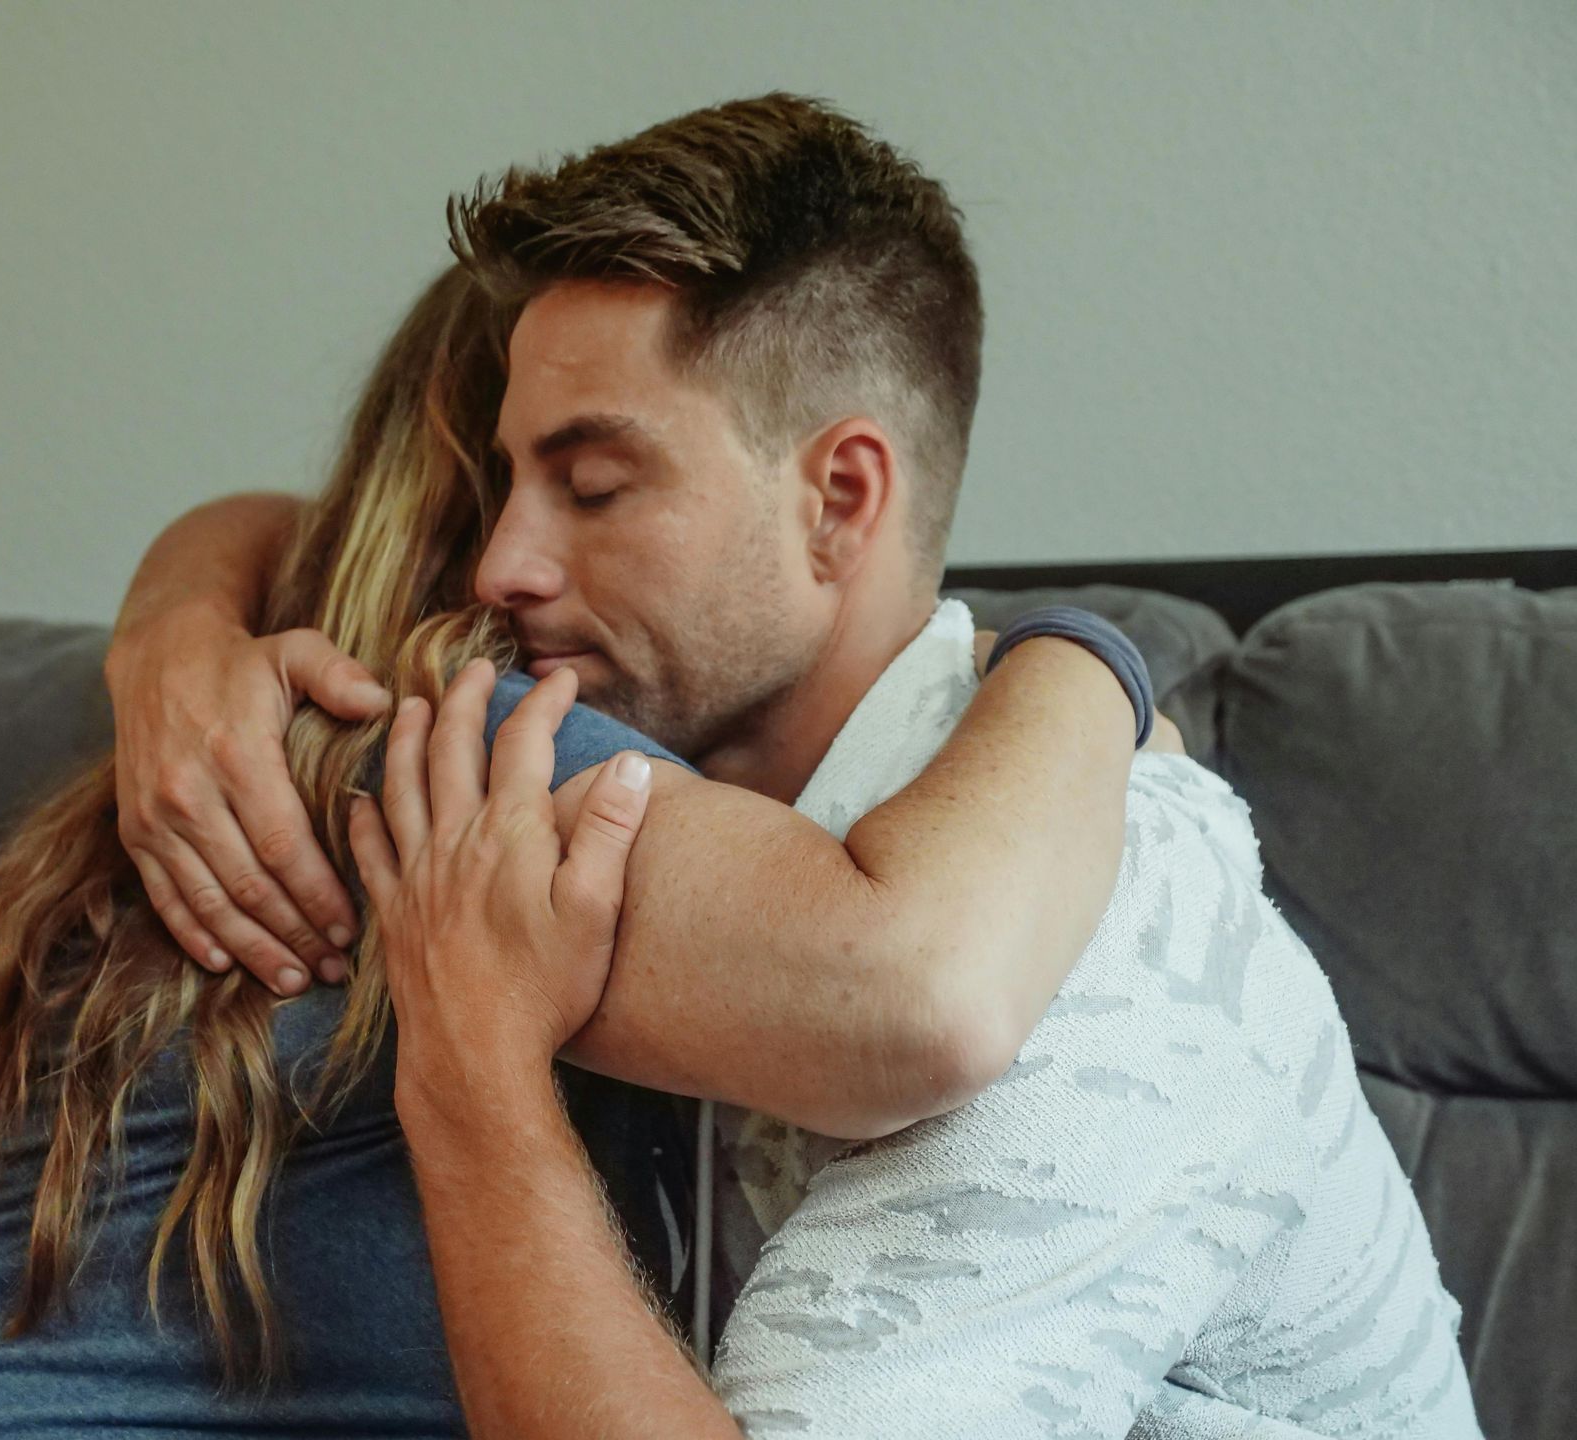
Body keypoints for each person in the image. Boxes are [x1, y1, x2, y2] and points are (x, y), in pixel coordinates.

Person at [132, 95, 1482, 1436]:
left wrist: (471, 1071)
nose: (503, 566)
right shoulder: (723, 862)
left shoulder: (1089, 943)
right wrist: (178, 630)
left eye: (593, 487)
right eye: (504, 492)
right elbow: (289, 523)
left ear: (840, 502)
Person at [0, 229, 1156, 1437]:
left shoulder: (281, 717)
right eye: (542, 484)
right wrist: (1089, 665)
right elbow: (908, 996)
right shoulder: (472, 746)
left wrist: (179, 612)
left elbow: (260, 519)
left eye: (595, 486)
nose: (523, 557)